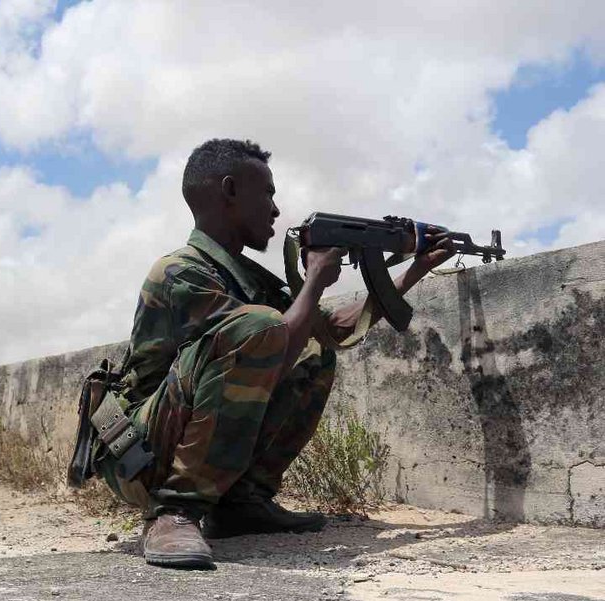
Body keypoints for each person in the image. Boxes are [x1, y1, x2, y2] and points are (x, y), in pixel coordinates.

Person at [97, 139, 455, 569]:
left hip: (166, 438)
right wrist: (316, 279)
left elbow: (329, 330)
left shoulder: (244, 275)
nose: (275, 209)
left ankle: (242, 505)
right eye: (266, 192)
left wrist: (412, 270)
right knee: (268, 327)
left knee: (315, 352)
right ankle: (174, 511)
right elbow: (272, 341)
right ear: (229, 190)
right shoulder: (179, 272)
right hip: (139, 456)